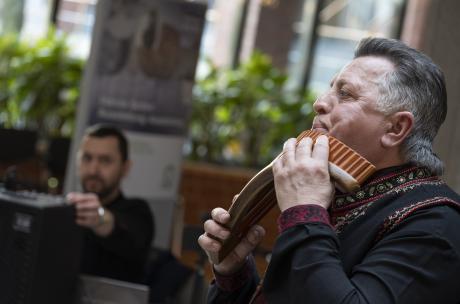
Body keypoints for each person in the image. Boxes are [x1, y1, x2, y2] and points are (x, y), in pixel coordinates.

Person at [198, 37, 460, 303]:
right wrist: (235, 275)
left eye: (345, 94)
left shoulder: (436, 225)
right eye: (330, 89)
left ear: (396, 129)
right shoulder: (337, 196)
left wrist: (305, 213)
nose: (320, 103)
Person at [67, 124, 154, 283]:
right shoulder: (65, 210)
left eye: (105, 160)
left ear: (125, 168)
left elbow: (131, 237)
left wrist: (100, 218)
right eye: (87, 158)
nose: (93, 169)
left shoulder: (137, 212)